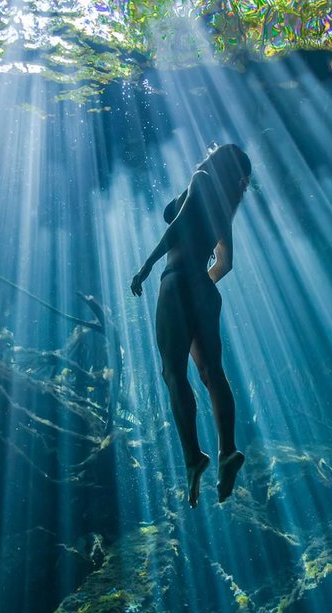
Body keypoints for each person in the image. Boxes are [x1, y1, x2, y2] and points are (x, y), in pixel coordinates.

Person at [130, 144, 252, 508]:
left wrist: (147, 266)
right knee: (213, 372)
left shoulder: (201, 178)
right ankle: (228, 450)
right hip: (204, 288)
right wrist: (201, 286)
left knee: (173, 372)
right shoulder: (225, 207)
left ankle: (193, 457)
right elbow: (225, 263)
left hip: (177, 279)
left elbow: (179, 224)